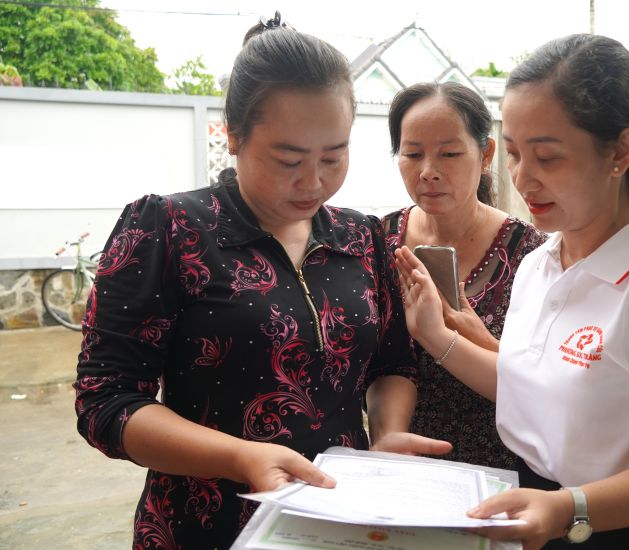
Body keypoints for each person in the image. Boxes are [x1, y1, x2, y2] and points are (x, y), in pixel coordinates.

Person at [73, 14, 447, 549]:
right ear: (233, 134)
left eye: (334, 157)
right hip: (204, 526)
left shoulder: (359, 236)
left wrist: (386, 434)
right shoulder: (170, 229)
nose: (314, 181)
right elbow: (105, 402)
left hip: (340, 520)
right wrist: (241, 456)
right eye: (288, 159)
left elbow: (391, 362)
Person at [395, 34, 629, 549]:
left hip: (622, 527)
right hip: (537, 506)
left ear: (621, 151)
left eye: (547, 157)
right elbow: (528, 391)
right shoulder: (540, 264)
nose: (523, 178)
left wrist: (567, 507)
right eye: (513, 154)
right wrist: (436, 335)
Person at [383, 82, 545, 469]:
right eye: (412, 154)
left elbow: (543, 385)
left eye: (450, 154)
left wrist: (457, 333)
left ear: (485, 153)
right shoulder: (376, 240)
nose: (428, 172)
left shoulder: (532, 253)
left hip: (503, 471)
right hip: (399, 463)